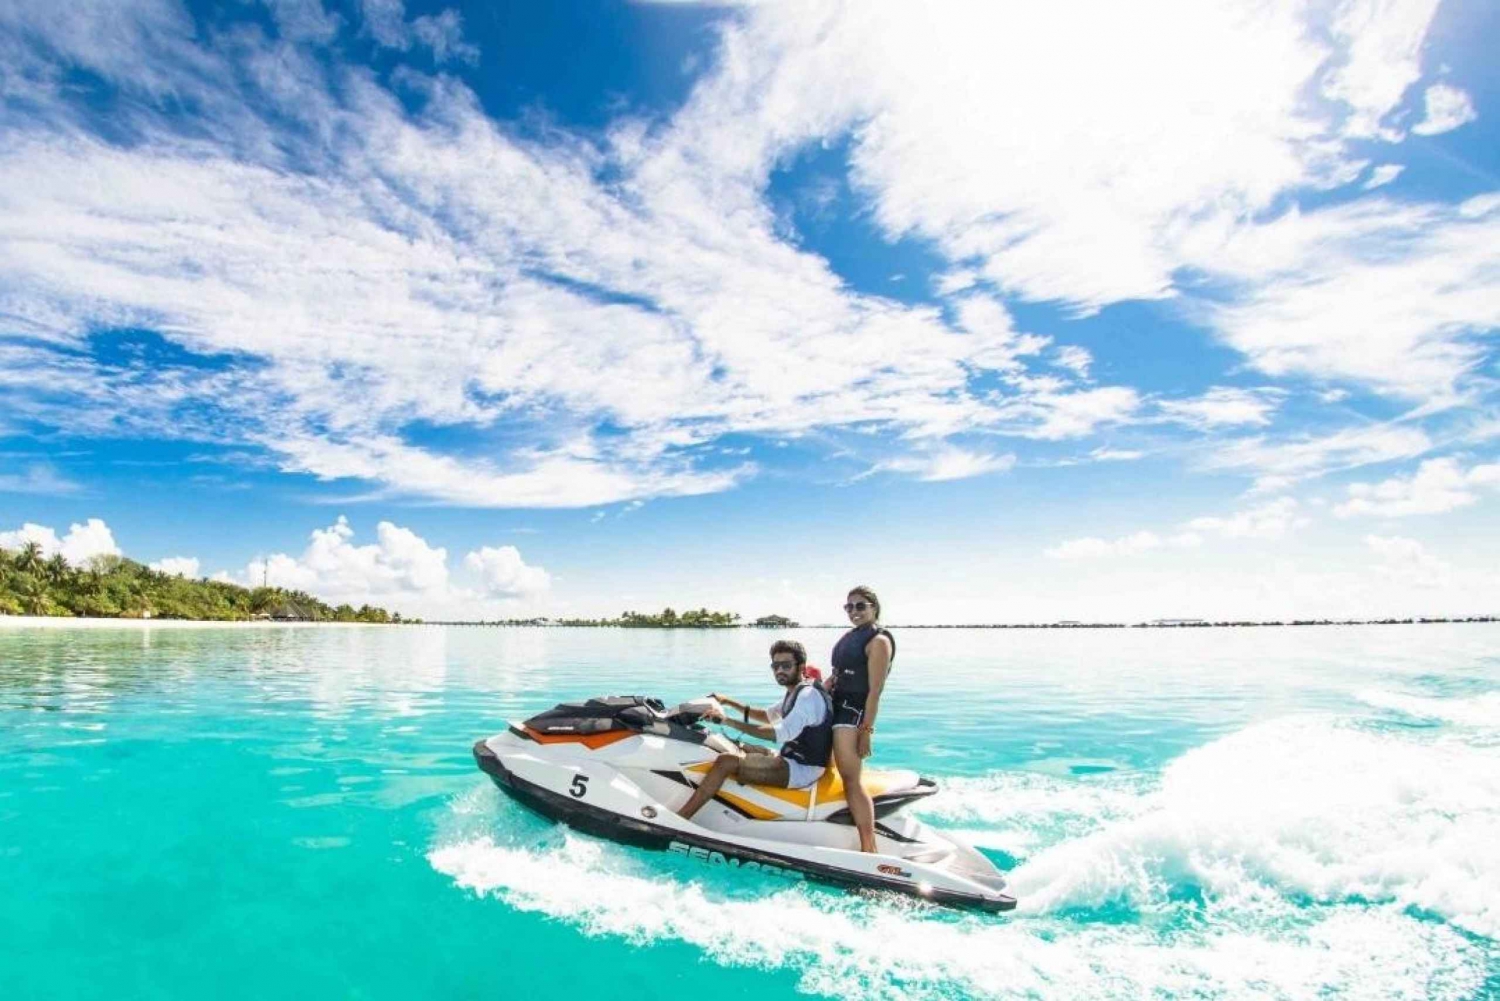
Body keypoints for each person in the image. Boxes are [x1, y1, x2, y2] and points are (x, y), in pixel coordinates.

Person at [676, 640, 832, 820]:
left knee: (726, 761)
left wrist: (727, 721)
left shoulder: (807, 696)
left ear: (801, 667)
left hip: (802, 770)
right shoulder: (795, 691)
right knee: (729, 745)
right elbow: (768, 716)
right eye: (776, 666)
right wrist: (728, 701)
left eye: (786, 665)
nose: (780, 670)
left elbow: (779, 733)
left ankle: (681, 818)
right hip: (789, 757)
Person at [827, 585, 894, 852]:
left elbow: (875, 690)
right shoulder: (849, 637)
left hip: (852, 715)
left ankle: (869, 847)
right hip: (834, 707)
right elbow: (837, 675)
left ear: (874, 608)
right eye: (849, 606)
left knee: (851, 779)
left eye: (860, 606)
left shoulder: (879, 641)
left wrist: (866, 730)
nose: (854, 611)